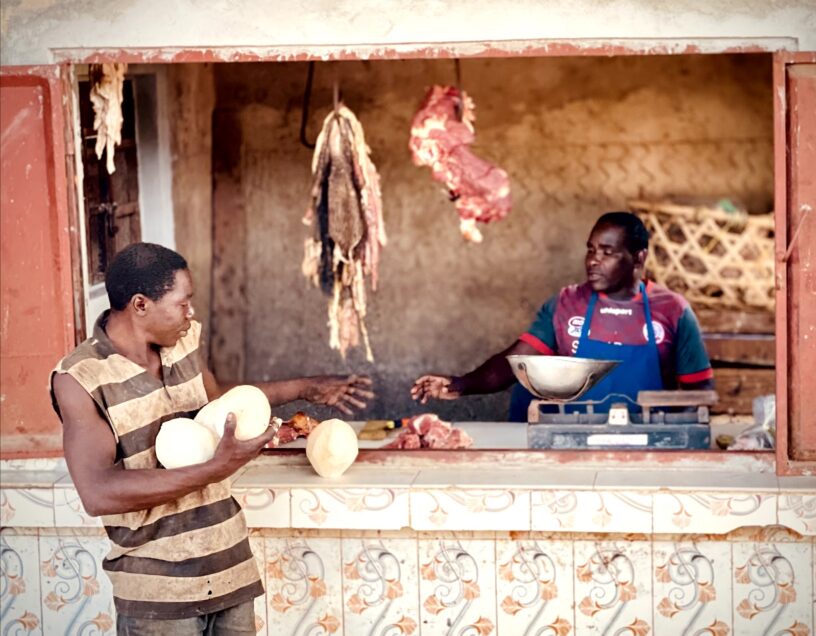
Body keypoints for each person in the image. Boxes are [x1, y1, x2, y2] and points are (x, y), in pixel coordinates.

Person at [50, 242, 373, 634]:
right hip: (159, 598)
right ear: (140, 305)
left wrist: (302, 388)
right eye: (182, 303)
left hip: (229, 572)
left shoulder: (182, 343)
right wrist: (215, 468)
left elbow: (219, 408)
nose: (191, 313)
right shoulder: (81, 378)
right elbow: (99, 492)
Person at [411, 211, 713, 420]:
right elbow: (513, 365)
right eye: (591, 250)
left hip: (645, 452)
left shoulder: (672, 310)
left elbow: (698, 393)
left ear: (639, 258)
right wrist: (460, 385)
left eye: (607, 252)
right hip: (570, 443)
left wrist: (669, 444)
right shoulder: (567, 303)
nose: (593, 260)